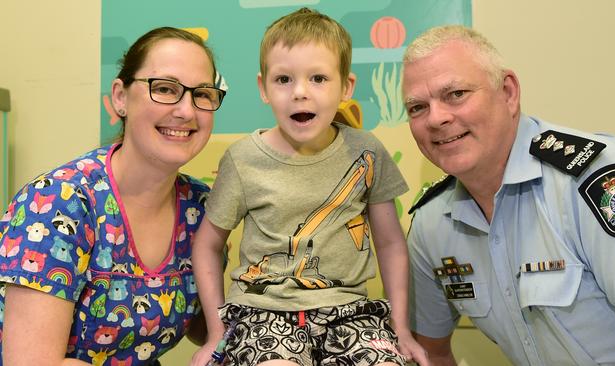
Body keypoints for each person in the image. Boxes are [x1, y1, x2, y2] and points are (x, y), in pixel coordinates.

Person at [190, 8, 428, 366]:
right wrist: (214, 332)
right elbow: (207, 246)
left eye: (318, 78)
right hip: (262, 314)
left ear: (346, 87)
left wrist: (400, 329)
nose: (300, 93)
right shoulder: (243, 159)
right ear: (263, 88)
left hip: (351, 313)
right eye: (284, 80)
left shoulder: (367, 151)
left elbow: (391, 243)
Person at [403, 24, 615, 365]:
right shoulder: (431, 226)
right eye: (417, 107)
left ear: (508, 92)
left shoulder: (596, 179)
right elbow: (429, 352)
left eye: (456, 94)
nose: (436, 118)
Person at [0, 26, 228, 365]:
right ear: (120, 97)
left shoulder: (202, 208)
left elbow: (203, 328)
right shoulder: (57, 204)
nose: (186, 111)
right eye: (165, 88)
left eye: (203, 94)